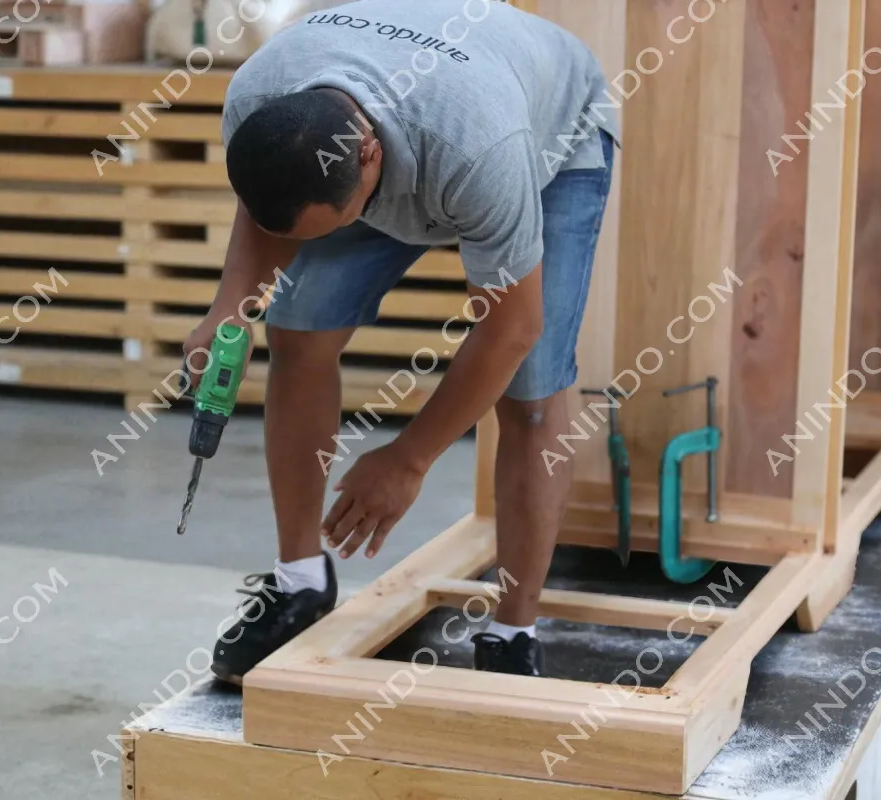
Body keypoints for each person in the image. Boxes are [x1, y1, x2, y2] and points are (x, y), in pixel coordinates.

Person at [185, 0, 618, 683]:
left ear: (367, 155)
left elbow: (512, 326)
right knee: (296, 330)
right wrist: (228, 309)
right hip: (391, 130)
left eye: (331, 224)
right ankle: (301, 583)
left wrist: (409, 460)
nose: (316, 246)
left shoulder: (483, 149)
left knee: (532, 394)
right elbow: (266, 206)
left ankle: (513, 632)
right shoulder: (260, 95)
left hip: (550, 141)